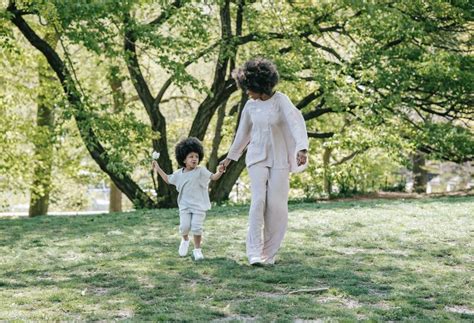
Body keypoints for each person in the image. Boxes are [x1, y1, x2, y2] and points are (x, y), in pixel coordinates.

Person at [221, 58, 309, 266]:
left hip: (279, 159)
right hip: (256, 158)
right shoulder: (250, 107)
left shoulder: (281, 101)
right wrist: (229, 159)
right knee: (258, 201)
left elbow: (296, 123)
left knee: (276, 206)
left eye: (248, 88)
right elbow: (242, 135)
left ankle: (268, 254)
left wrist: (302, 148)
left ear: (259, 86)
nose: (246, 93)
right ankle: (253, 252)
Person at [153, 137, 225, 261]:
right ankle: (185, 239)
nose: (194, 159)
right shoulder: (178, 174)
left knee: (197, 227)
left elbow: (213, 177)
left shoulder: (201, 171)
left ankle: (197, 250)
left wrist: (220, 172)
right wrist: (158, 168)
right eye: (191, 156)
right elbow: (167, 179)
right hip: (185, 206)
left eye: (196, 156)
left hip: (199, 206)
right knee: (184, 227)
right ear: (184, 159)